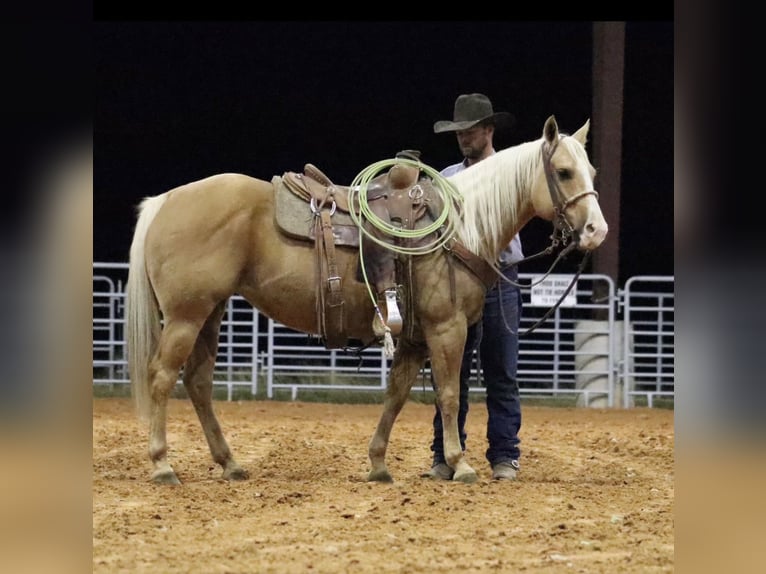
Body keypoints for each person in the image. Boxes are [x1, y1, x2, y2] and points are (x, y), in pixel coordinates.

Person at [423, 93, 524, 481]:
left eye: (471, 130)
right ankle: (444, 453)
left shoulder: (510, 170)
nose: (464, 137)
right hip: (456, 283)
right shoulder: (447, 178)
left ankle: (504, 455)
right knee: (451, 372)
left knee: (502, 371)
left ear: (488, 130)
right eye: (459, 132)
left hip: (500, 277)